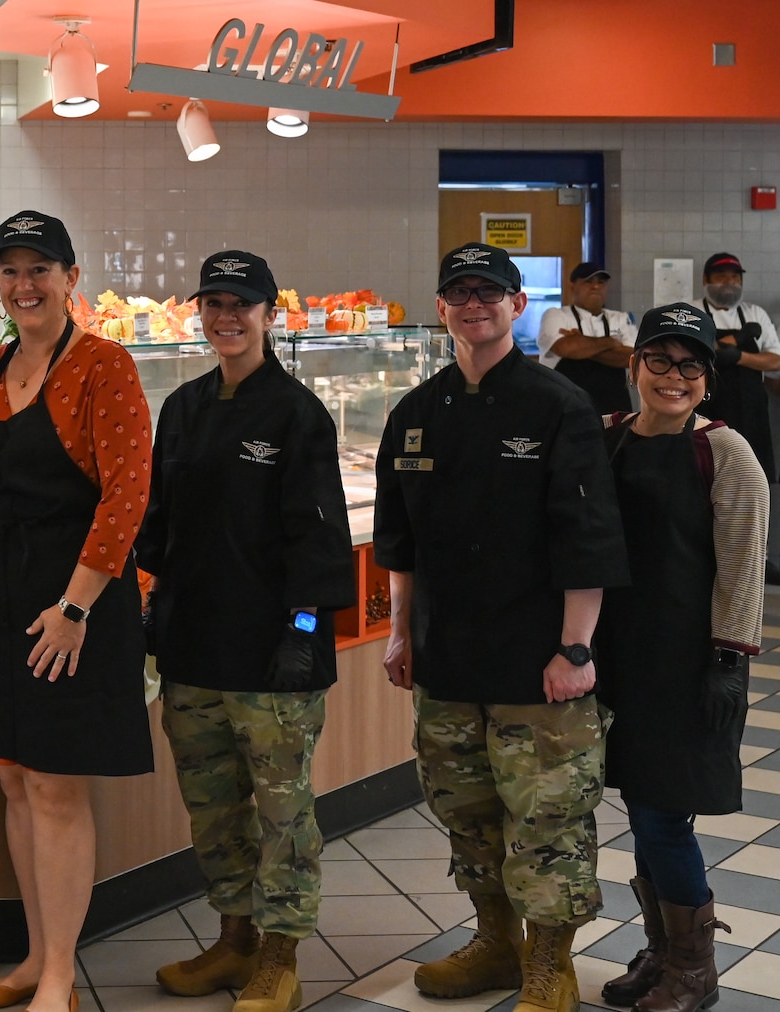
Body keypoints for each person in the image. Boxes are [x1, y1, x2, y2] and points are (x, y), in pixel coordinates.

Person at [376, 242, 629, 1012]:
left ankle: (550, 964)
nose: (475, 303)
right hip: (448, 658)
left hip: (536, 662)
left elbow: (587, 535)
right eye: (461, 291)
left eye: (492, 291)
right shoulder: (416, 412)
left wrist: (575, 647)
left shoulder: (557, 406)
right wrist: (399, 632)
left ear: (518, 307)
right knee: (469, 813)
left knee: (547, 817)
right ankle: (495, 944)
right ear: (444, 306)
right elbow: (399, 540)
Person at [0, 211, 153, 1012]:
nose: (24, 286)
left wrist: (74, 607)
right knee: (14, 780)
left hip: (73, 601)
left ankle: (60, 974)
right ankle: (34, 957)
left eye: (40, 270)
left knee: (58, 788)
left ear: (70, 278)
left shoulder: (105, 365)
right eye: (11, 271)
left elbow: (127, 498)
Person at [137, 251, 355, 1012]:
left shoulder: (297, 413)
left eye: (243, 305)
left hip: (272, 659)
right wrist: (149, 600)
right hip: (195, 650)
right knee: (213, 808)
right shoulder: (185, 407)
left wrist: (302, 627)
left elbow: (320, 539)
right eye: (215, 304)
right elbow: (160, 523)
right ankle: (234, 942)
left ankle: (281, 957)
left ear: (269, 315)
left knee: (283, 813)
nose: (227, 318)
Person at [593, 304, 764, 1012]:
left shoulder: (724, 452)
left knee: (665, 816)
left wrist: (728, 660)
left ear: (707, 380)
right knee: (641, 809)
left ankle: (695, 969)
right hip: (617, 657)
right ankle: (662, 953)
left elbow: (742, 566)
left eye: (690, 365)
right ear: (633, 368)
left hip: (690, 662)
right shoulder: (605, 439)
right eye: (658, 360)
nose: (673, 376)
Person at [698, 253, 779, 482]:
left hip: (751, 410)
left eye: (735, 277)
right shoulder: (692, 311)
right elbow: (698, 352)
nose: (729, 282)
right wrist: (740, 338)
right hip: (708, 407)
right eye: (721, 276)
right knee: (709, 474)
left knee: (752, 476)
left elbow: (775, 360)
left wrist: (737, 356)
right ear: (706, 279)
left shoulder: (755, 313)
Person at [536, 262, 634, 416]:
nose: (595, 287)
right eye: (588, 281)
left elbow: (631, 357)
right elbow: (565, 348)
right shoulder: (555, 315)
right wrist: (610, 343)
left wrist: (581, 343)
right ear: (572, 286)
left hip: (614, 412)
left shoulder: (620, 318)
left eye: (600, 282)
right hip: (565, 411)